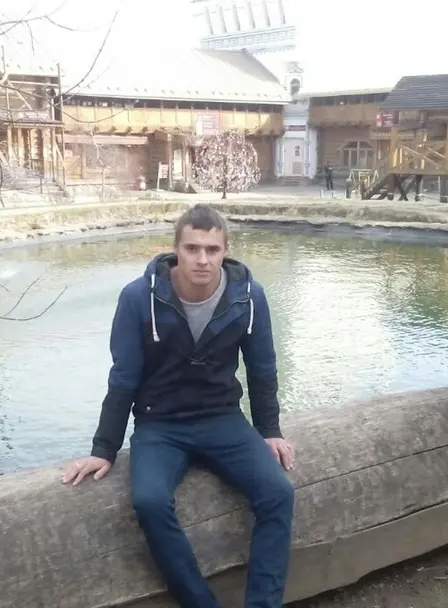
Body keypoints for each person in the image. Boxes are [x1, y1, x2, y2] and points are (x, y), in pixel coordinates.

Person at [63, 203, 295, 608]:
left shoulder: (249, 297)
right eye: (192, 248)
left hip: (223, 419)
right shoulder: (138, 297)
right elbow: (123, 376)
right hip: (160, 425)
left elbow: (262, 368)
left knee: (278, 493)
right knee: (149, 502)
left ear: (226, 250)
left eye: (212, 249)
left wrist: (270, 430)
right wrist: (104, 449)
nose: (202, 259)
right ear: (175, 249)